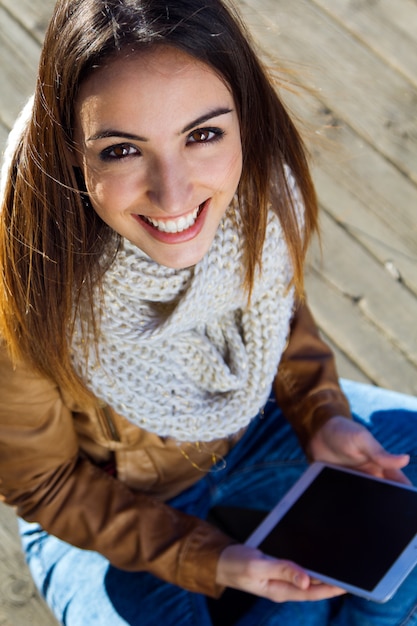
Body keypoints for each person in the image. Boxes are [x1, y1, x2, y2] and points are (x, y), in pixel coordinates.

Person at [0, 0, 416, 624]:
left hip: (252, 426)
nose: (174, 194)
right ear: (70, 151)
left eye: (202, 135)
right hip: (108, 508)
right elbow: (46, 483)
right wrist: (209, 558)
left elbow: (276, 323)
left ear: (242, 122)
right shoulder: (24, 276)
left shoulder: (260, 196)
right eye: (120, 150)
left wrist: (320, 415)